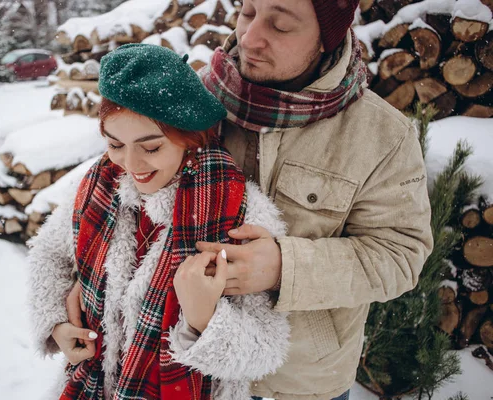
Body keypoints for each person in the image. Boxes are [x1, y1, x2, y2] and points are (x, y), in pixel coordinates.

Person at [64, 0, 434, 399]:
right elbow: (116, 195)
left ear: (327, 38)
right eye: (248, 13)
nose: (251, 37)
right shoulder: (190, 97)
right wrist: (82, 285)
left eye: (280, 25)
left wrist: (286, 268)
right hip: (185, 377)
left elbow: (400, 256)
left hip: (299, 383)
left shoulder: (381, 135)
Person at [27, 44, 291, 400]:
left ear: (188, 138)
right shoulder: (97, 188)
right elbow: (47, 253)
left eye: (150, 147)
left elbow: (267, 349)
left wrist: (203, 320)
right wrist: (57, 321)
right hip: (92, 388)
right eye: (115, 144)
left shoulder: (238, 210)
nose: (130, 164)